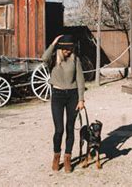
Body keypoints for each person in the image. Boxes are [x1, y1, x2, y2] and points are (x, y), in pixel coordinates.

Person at [42, 34, 85, 173]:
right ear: (60, 48)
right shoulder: (53, 59)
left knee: (70, 128)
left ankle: (67, 158)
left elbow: (80, 80)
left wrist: (81, 99)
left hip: (72, 96)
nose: (68, 51)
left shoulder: (75, 59)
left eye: (70, 48)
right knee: (59, 129)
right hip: (57, 95)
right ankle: (56, 156)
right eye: (65, 48)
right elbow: (44, 58)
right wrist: (54, 43)